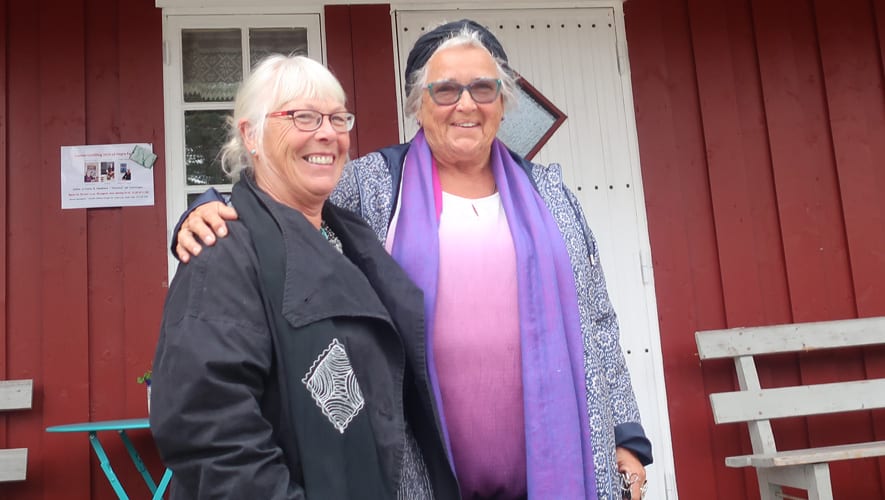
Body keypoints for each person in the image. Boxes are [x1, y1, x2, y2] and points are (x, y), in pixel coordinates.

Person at [174, 20, 653, 500]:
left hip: (556, 464)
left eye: (483, 88)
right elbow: (283, 200)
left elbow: (597, 319)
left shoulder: (551, 193)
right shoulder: (374, 184)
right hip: (418, 470)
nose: (466, 104)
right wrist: (206, 210)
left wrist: (626, 437)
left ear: (503, 101)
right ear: (417, 105)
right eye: (445, 90)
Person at [149, 54, 459, 499]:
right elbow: (209, 431)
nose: (328, 133)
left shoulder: (351, 236)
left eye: (337, 118)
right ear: (251, 135)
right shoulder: (223, 251)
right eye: (303, 117)